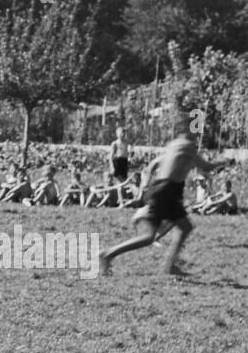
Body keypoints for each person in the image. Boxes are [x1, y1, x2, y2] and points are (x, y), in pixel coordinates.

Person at [100, 118, 234, 276]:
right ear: (187, 131)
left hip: (166, 189)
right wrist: (224, 162)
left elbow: (163, 164)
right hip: (167, 190)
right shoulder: (186, 146)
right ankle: (108, 254)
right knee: (148, 237)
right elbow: (205, 166)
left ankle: (169, 266)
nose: (197, 134)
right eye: (195, 131)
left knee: (183, 228)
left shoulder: (175, 145)